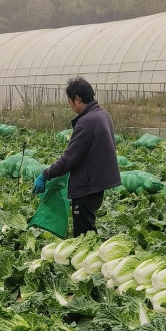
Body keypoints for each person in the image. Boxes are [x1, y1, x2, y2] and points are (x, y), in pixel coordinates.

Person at [34, 77, 121, 235]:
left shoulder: (86, 122)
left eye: (70, 102)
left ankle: (88, 259)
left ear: (77, 99)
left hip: (87, 187)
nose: (71, 106)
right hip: (97, 184)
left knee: (83, 234)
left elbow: (68, 160)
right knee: (88, 229)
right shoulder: (103, 115)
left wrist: (45, 175)